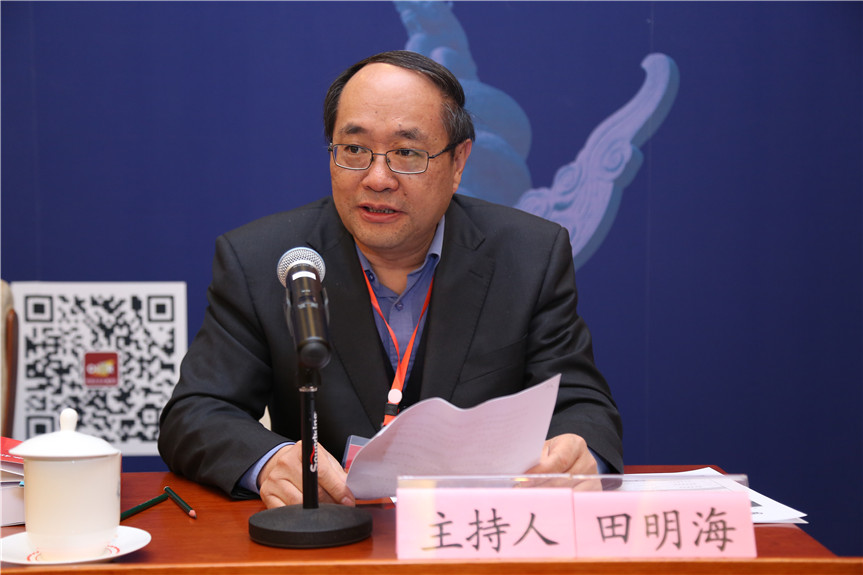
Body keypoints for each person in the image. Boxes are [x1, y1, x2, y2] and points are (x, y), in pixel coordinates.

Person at [158, 50, 622, 509]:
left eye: (406, 153)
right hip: (333, 531)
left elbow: (582, 405)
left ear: (458, 162)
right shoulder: (263, 259)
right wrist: (270, 461)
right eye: (354, 150)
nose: (377, 178)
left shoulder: (528, 255)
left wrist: (576, 455)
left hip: (475, 530)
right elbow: (196, 413)